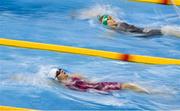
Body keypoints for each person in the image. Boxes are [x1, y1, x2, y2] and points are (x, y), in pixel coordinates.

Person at [49, 68, 149, 93]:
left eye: (61, 69)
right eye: (59, 72)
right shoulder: (66, 84)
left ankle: (150, 92)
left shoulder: (71, 78)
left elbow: (86, 79)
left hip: (98, 86)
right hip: (99, 88)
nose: (62, 71)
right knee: (128, 85)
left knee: (129, 86)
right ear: (57, 78)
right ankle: (151, 93)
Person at [98, 14, 162, 37]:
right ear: (106, 23)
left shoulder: (119, 24)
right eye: (109, 19)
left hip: (145, 32)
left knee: (161, 32)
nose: (112, 19)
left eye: (111, 17)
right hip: (142, 34)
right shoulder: (116, 27)